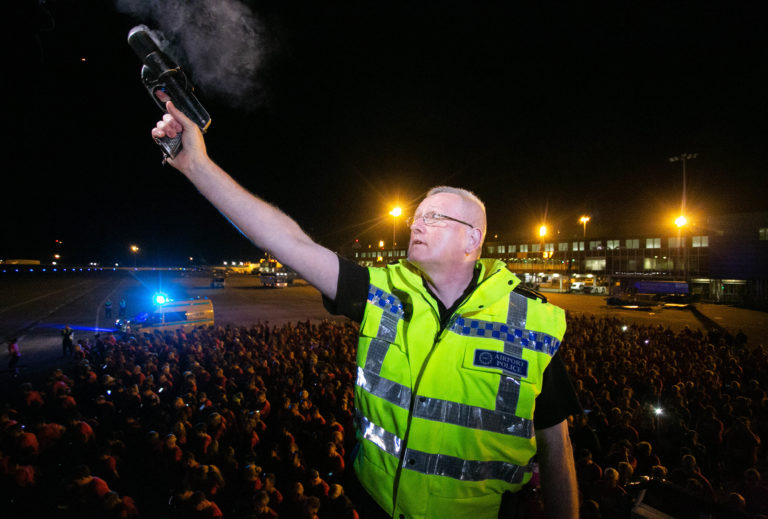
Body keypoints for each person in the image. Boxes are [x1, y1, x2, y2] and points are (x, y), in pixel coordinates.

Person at [151, 101, 580, 518]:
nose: (416, 224)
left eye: (435, 217)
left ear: (473, 240)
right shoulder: (382, 291)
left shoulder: (533, 323)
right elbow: (287, 241)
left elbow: (556, 450)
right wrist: (197, 166)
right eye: (416, 217)